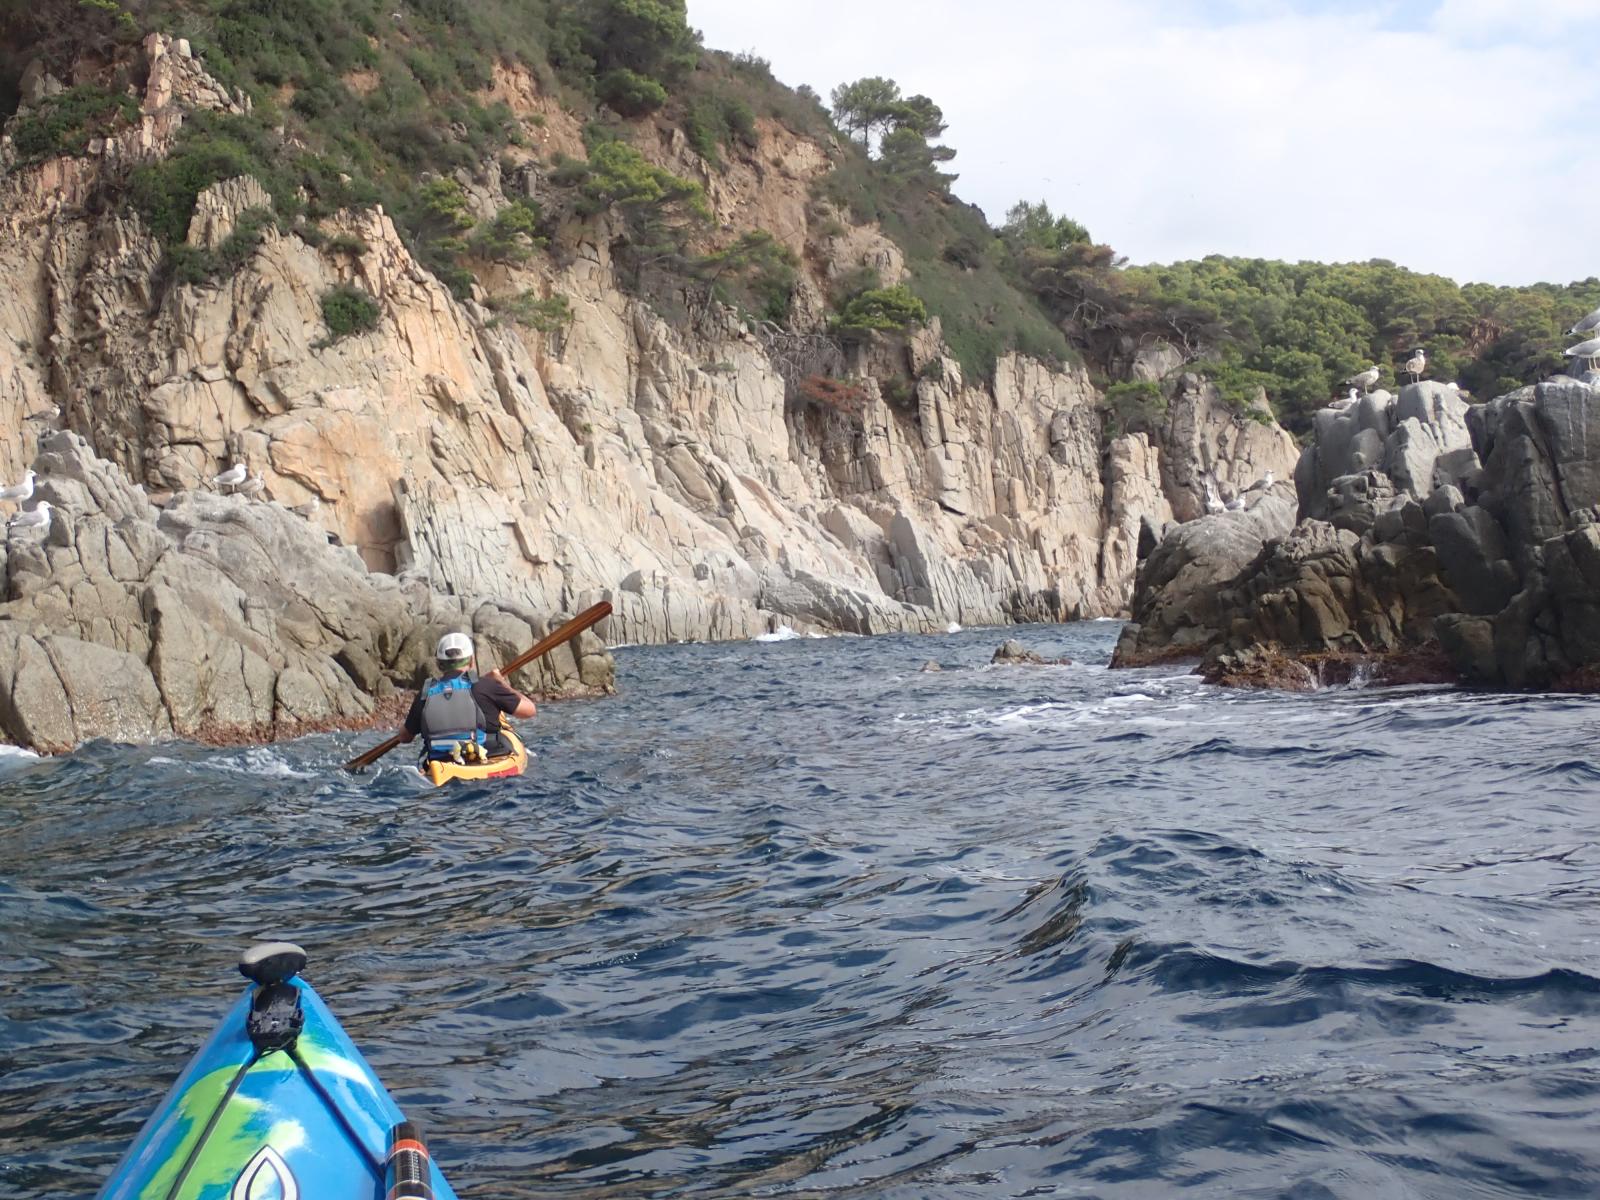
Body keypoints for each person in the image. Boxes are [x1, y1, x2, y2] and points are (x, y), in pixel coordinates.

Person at [400, 632, 537, 763]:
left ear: (439, 664)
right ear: (472, 661)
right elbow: (529, 710)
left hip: (441, 762)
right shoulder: (487, 686)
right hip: (486, 759)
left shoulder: (425, 693)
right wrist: (502, 683)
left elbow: (405, 737)